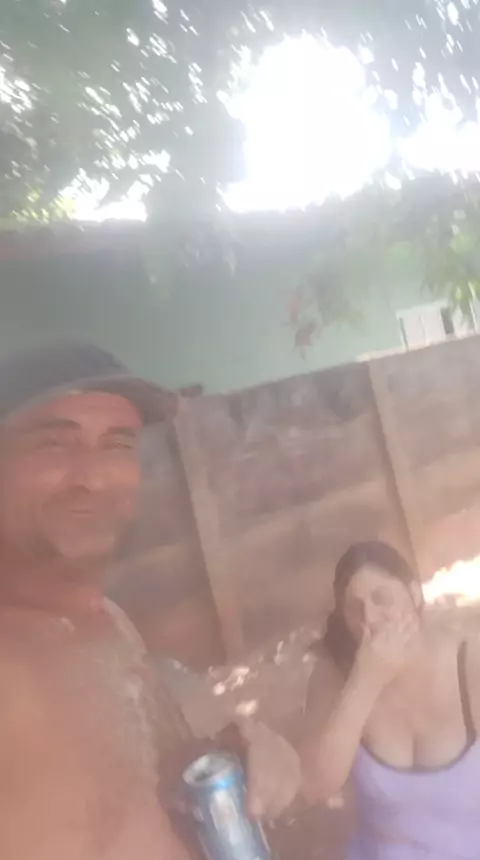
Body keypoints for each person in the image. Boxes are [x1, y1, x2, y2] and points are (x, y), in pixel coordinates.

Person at [0, 341, 299, 860]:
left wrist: (224, 756)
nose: (94, 477)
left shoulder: (105, 621)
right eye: (53, 445)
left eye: (117, 445)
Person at [299, 540, 480, 860]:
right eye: (354, 608)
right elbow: (315, 786)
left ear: (415, 594)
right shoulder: (335, 678)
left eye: (381, 599)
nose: (369, 618)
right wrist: (364, 683)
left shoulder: (469, 665)